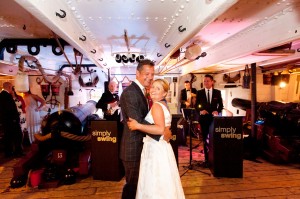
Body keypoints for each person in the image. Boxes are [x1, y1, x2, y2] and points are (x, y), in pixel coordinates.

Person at [119, 59, 172, 199]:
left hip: (143, 147)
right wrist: (162, 133)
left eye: (152, 74)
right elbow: (136, 121)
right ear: (137, 73)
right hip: (133, 149)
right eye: (146, 74)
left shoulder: (144, 92)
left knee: (140, 187)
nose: (150, 77)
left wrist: (164, 129)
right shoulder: (131, 93)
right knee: (132, 187)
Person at [127, 79, 185, 199]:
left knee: (154, 182)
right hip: (161, 147)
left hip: (155, 148)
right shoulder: (163, 104)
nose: (153, 90)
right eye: (153, 87)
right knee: (163, 182)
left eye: (158, 88)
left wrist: (137, 125)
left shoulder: (157, 106)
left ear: (164, 93)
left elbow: (159, 129)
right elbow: (165, 128)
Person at [195, 74, 223, 167]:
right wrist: (200, 111)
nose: (206, 83)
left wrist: (217, 111)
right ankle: (206, 159)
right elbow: (196, 106)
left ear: (212, 82)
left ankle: (214, 158)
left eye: (207, 81)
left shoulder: (217, 92)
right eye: (204, 81)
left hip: (214, 120)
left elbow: (221, 106)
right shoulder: (199, 92)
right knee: (205, 139)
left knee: (213, 139)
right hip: (203, 119)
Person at [0, 82, 23, 157]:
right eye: (12, 87)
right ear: (9, 87)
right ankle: (17, 152)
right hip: (11, 120)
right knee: (17, 136)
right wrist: (15, 119)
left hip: (6, 120)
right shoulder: (6, 96)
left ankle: (9, 152)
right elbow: (10, 108)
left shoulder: (2, 95)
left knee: (8, 136)